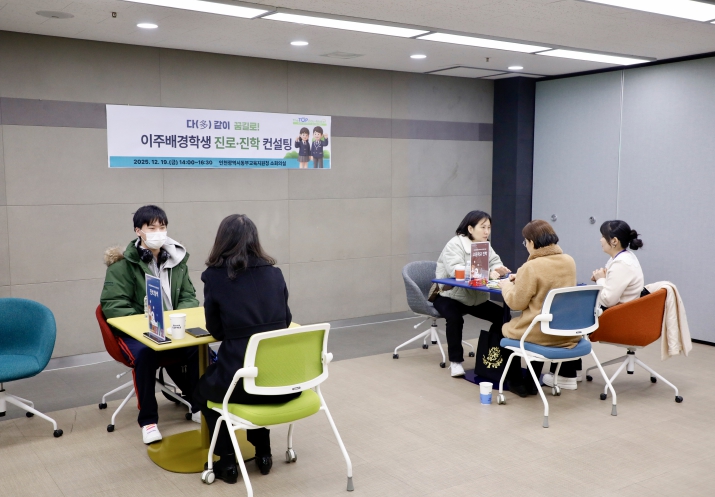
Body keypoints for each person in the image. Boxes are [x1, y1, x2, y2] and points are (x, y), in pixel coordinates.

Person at [193, 214, 296, 484]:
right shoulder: (274, 274)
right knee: (255, 380)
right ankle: (264, 454)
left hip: (239, 380)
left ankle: (227, 461)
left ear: (222, 241)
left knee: (203, 391)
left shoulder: (214, 277)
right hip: (279, 380)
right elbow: (285, 320)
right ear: (254, 240)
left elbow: (216, 331)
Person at [101, 205, 200, 445]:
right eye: (152, 228)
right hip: (137, 333)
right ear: (138, 231)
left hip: (172, 328)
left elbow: (189, 296)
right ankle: (148, 421)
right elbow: (113, 305)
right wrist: (146, 322)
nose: (158, 232)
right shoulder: (121, 267)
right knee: (146, 354)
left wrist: (175, 318)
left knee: (199, 348)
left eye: (162, 227)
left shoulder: (177, 262)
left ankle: (199, 405)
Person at [543, 220, 645, 389]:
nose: (600, 240)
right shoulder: (623, 258)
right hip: (621, 312)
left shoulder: (621, 263)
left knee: (567, 317)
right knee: (574, 310)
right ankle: (573, 371)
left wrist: (600, 280)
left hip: (617, 318)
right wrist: (602, 279)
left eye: (603, 236)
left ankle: (565, 376)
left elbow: (608, 299)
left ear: (614, 241)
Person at [498, 220, 577, 397]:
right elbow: (549, 281)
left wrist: (506, 286)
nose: (525, 245)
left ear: (532, 242)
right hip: (564, 331)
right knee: (539, 322)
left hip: (540, 332)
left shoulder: (531, 267)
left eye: (525, 242)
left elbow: (516, 303)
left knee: (503, 329)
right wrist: (522, 278)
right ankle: (532, 382)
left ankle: (515, 383)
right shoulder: (569, 261)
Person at [433, 210, 511, 378]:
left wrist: (498, 269)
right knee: (455, 318)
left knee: (502, 316)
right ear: (470, 228)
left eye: (489, 227)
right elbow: (455, 270)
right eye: (483, 227)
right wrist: (486, 272)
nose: (486, 232)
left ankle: (491, 356)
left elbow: (495, 261)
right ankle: (455, 362)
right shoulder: (455, 244)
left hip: (474, 298)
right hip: (449, 295)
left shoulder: (485, 245)